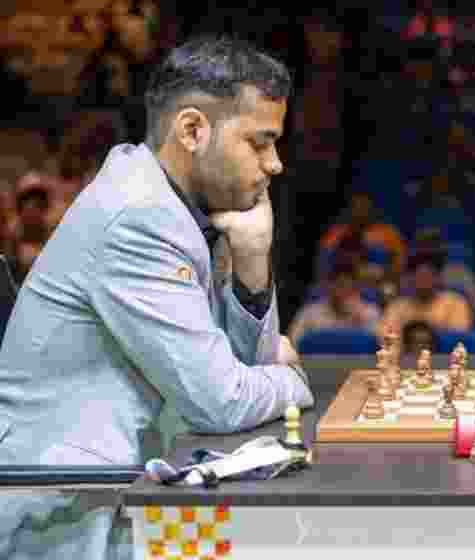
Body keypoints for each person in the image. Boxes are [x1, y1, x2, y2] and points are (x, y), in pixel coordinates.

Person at [0, 36, 314, 559]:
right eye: (260, 143)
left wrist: (254, 260)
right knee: (288, 545)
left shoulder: (176, 202)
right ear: (192, 130)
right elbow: (224, 401)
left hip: (128, 486)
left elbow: (236, 374)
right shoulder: (139, 217)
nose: (275, 164)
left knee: (276, 540)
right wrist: (291, 381)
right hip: (66, 513)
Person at [288, 243, 381, 346]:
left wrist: (359, 323)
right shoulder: (309, 315)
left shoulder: (370, 315)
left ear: (356, 288)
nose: (341, 292)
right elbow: (293, 346)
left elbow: (380, 350)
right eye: (338, 285)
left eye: (347, 287)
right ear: (328, 286)